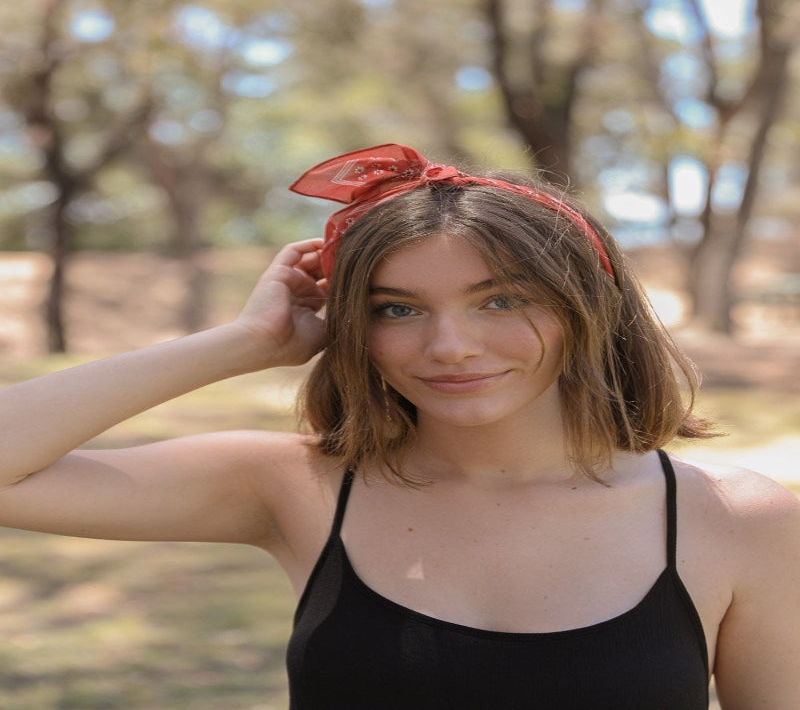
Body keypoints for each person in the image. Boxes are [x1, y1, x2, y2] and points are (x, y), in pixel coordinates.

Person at [0, 142, 798, 709]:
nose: (449, 346)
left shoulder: (740, 520)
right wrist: (245, 344)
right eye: (397, 309)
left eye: (501, 299)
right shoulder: (296, 488)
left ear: (587, 307)